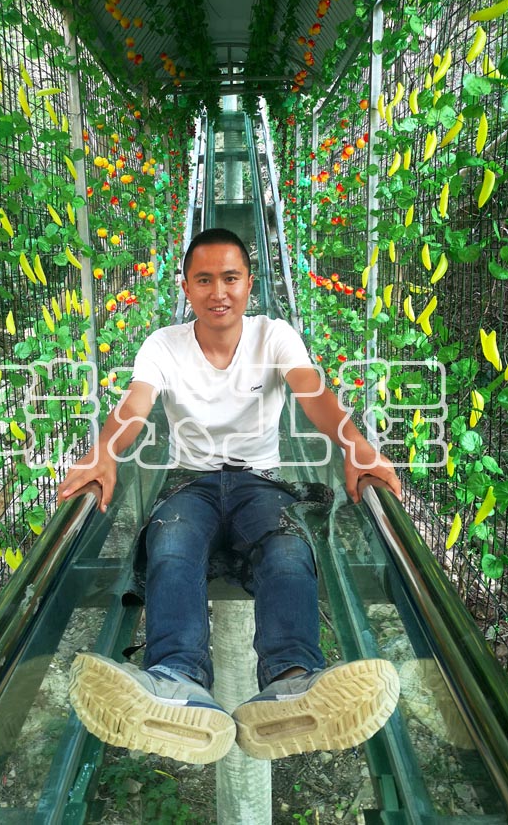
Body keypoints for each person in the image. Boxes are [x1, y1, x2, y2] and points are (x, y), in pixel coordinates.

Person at [58, 228, 402, 765]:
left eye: (230, 278)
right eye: (204, 280)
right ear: (186, 288)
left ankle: (291, 681)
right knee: (171, 545)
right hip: (189, 481)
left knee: (286, 548)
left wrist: (354, 445)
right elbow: (135, 404)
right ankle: (177, 681)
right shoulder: (163, 345)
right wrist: (104, 450)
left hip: (258, 481)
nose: (218, 292)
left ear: (249, 283)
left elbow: (312, 393)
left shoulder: (274, 336)